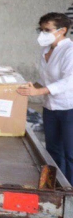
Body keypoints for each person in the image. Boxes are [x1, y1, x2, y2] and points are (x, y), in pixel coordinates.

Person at [18, 12, 73, 182]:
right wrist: (30, 87)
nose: (43, 34)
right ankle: (56, 184)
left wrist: (39, 92)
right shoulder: (47, 50)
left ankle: (70, 191)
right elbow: (44, 79)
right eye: (41, 30)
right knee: (53, 150)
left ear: (62, 30)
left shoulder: (69, 51)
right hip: (50, 107)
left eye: (47, 30)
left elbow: (69, 80)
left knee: (70, 152)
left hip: (68, 108)